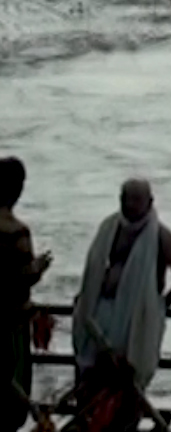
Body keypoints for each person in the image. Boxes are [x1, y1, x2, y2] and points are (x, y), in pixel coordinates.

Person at [71, 181, 171, 430]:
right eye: (125, 198)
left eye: (136, 199)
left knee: (127, 394)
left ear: (150, 202)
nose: (130, 204)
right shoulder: (109, 229)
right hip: (97, 325)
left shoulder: (160, 236)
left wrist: (157, 307)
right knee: (89, 392)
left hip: (135, 329)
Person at [0, 157, 52, 432]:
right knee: (11, 401)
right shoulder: (16, 230)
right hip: (10, 325)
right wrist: (38, 268)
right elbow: (22, 279)